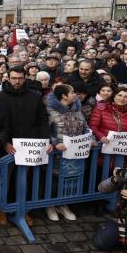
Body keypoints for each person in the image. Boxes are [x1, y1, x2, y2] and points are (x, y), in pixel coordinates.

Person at [0, 66, 50, 226]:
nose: (17, 81)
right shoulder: (0, 97)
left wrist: (45, 141)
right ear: (8, 78)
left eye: (20, 78)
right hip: (8, 146)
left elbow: (43, 121)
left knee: (26, 180)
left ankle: (24, 210)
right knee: (5, 179)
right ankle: (2, 209)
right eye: (13, 78)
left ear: (25, 78)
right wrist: (4, 142)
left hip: (30, 146)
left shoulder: (35, 96)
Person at [45, 84, 90, 222]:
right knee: (53, 180)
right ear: (64, 96)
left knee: (70, 180)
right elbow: (45, 130)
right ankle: (50, 204)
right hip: (57, 154)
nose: (75, 94)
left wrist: (91, 138)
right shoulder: (50, 110)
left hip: (74, 154)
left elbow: (85, 127)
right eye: (72, 92)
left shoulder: (77, 109)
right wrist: (54, 142)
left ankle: (63, 204)